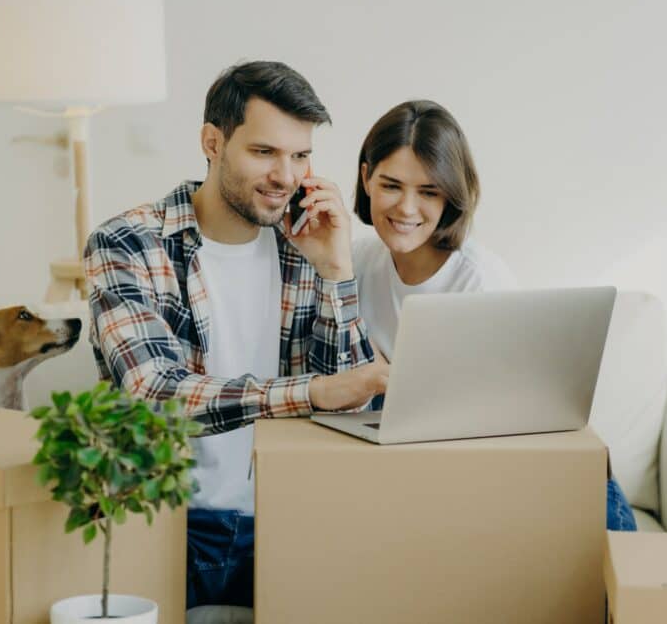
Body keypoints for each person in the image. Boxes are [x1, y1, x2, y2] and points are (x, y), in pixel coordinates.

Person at [83, 61, 389, 610]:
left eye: (301, 156)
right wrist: (310, 392)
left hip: (289, 521)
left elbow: (356, 405)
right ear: (212, 142)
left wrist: (337, 274)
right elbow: (153, 394)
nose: (287, 176)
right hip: (167, 525)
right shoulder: (128, 243)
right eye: (264, 152)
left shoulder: (306, 246)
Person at [351, 100, 637, 531]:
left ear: (452, 195)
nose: (407, 209)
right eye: (392, 185)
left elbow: (499, 429)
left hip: (547, 476)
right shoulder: (356, 263)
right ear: (365, 177)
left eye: (429, 192)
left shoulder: (479, 279)